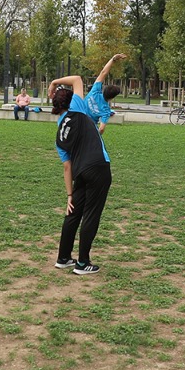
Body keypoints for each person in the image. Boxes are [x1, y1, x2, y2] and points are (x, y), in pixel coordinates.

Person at [50, 82, 112, 276]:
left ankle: (64, 258)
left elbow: (67, 167)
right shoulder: (78, 108)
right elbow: (77, 79)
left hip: (80, 173)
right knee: (91, 215)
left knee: (74, 212)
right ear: (72, 101)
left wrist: (69, 195)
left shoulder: (60, 132)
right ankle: (83, 263)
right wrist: (54, 83)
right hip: (98, 167)